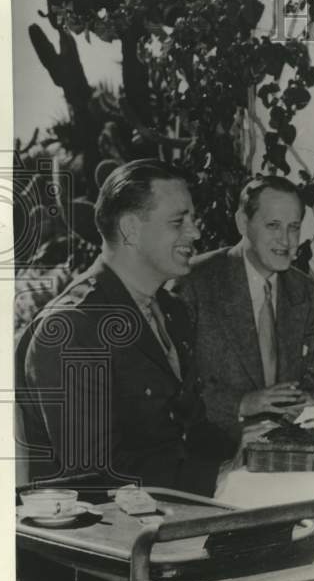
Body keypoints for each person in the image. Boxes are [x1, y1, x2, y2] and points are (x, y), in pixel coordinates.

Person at [20, 159, 235, 497]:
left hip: (176, 514)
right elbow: (95, 476)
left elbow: (190, 430)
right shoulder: (72, 328)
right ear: (131, 230)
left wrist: (250, 455)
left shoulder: (171, 311)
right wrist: (219, 480)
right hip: (107, 540)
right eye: (179, 221)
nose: (195, 233)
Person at [175, 175, 314, 440]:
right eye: (273, 226)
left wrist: (307, 399)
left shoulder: (304, 291)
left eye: (294, 227)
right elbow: (175, 390)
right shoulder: (195, 284)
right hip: (214, 452)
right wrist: (243, 403)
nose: (286, 241)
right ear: (243, 223)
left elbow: (310, 376)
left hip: (284, 449)